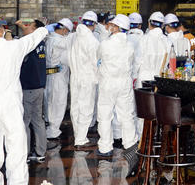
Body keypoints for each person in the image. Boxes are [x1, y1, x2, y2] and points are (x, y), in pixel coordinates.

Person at [0, 15, 48, 184]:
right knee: (16, 151)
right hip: (10, 107)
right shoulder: (13, 48)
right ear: (0, 30)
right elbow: (32, 40)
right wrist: (44, 28)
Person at [96, 14, 138, 157]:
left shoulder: (105, 44)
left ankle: (105, 147)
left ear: (116, 28)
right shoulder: (130, 45)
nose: (110, 26)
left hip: (108, 82)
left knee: (105, 114)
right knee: (126, 115)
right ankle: (130, 145)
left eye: (113, 25)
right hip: (124, 83)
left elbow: (98, 57)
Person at [68, 11, 100, 149]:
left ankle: (78, 135)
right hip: (87, 77)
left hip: (74, 76)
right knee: (86, 107)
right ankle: (81, 138)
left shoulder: (73, 37)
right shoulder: (92, 41)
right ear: (93, 24)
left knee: (75, 106)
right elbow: (96, 62)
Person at [18, 19, 48, 163]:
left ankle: (25, 153)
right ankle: (41, 152)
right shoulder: (41, 43)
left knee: (25, 121)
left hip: (29, 88)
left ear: (35, 30)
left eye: (29, 26)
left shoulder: (28, 45)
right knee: (38, 120)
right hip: (39, 87)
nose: (26, 27)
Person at [45, 18, 74, 140]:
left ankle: (49, 126)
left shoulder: (48, 38)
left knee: (48, 102)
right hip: (59, 77)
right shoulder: (62, 42)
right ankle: (53, 130)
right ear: (64, 30)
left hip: (47, 76)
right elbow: (68, 60)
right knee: (58, 103)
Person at [127, 12, 144, 84]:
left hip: (126, 76)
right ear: (140, 25)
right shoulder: (145, 38)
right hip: (140, 76)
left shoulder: (124, 38)